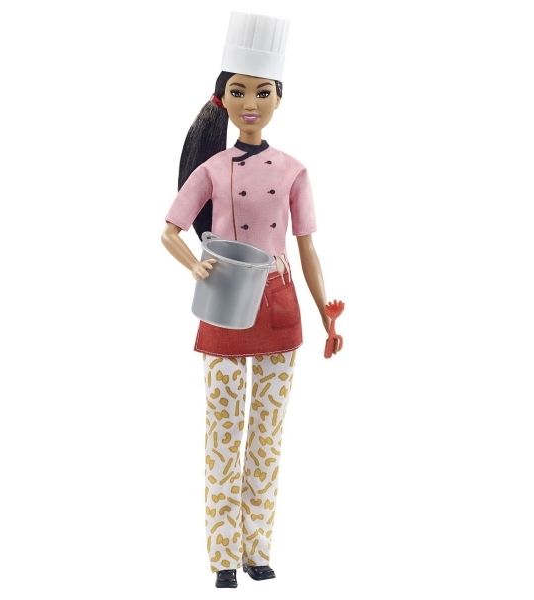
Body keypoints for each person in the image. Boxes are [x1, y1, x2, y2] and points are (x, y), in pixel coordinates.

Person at [160, 12, 342, 588]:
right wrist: (196, 264)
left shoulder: (294, 171)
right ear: (224, 98)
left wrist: (325, 311)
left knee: (266, 436)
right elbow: (169, 230)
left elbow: (307, 248)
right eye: (239, 91)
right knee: (221, 434)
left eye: (262, 92)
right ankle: (222, 557)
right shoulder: (211, 169)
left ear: (279, 98)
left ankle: (257, 549)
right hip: (223, 304)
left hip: (279, 306)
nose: (251, 103)